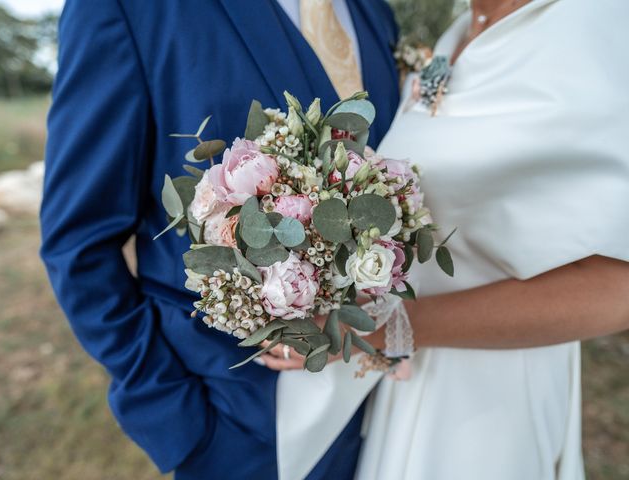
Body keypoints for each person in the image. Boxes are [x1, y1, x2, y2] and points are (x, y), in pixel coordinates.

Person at [263, 0, 629, 479]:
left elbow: (617, 290)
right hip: (414, 377)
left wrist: (385, 329)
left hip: (489, 401)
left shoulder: (596, 24)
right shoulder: (462, 31)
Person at [39, 1, 400, 478]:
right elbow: (79, 242)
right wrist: (180, 424)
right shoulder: (127, 9)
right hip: (243, 427)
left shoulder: (372, 10)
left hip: (398, 412)